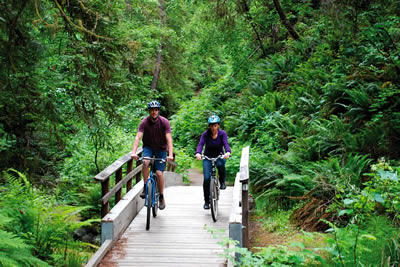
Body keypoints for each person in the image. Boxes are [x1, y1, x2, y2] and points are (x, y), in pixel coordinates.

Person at [131, 100, 174, 210]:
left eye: (156, 110)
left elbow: (169, 139)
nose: (154, 112)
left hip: (161, 149)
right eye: (152, 110)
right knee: (145, 162)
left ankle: (161, 196)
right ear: (149, 111)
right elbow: (138, 137)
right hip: (148, 148)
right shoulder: (144, 122)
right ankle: (145, 187)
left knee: (159, 173)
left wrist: (170, 155)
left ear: (158, 111)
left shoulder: (164, 122)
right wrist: (133, 152)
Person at [195, 115, 231, 210]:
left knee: (220, 164)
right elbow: (201, 144)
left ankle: (222, 181)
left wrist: (228, 152)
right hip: (207, 157)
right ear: (209, 126)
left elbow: (226, 144)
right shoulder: (205, 134)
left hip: (219, 155)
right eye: (211, 126)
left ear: (218, 125)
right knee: (207, 178)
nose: (213, 128)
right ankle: (207, 201)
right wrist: (198, 153)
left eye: (215, 125)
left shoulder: (222, 134)